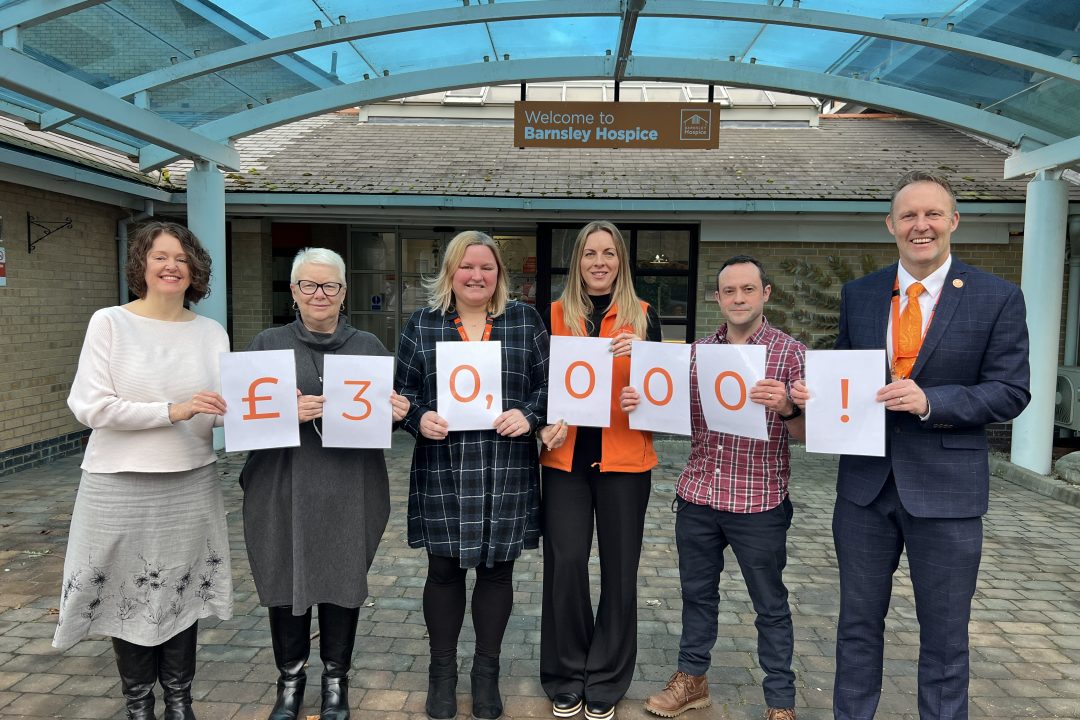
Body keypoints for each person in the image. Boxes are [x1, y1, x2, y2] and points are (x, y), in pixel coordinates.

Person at [791, 170, 1030, 719]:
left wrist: (931, 403)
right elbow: (849, 375)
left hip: (947, 494)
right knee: (855, 626)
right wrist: (815, 395)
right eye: (908, 216)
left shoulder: (997, 297)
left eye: (932, 215)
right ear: (891, 225)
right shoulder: (862, 293)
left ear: (953, 221)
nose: (920, 226)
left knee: (945, 639)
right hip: (865, 491)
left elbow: (1011, 391)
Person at [54, 220, 233, 720]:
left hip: (190, 481)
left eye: (181, 258)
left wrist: (277, 410)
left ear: (195, 269)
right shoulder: (110, 322)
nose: (172, 266)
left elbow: (220, 410)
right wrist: (170, 410)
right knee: (124, 590)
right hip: (118, 484)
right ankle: (139, 704)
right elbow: (89, 407)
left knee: (181, 588)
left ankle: (179, 701)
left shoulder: (210, 332)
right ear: (142, 266)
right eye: (160, 256)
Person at [240, 248, 410, 720]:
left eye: (330, 285)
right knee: (283, 573)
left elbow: (376, 420)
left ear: (343, 292)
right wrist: (283, 413)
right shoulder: (266, 344)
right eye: (309, 285)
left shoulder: (369, 348)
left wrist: (397, 416)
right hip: (282, 483)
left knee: (341, 576)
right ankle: (290, 681)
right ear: (294, 292)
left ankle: (336, 680)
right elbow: (240, 417)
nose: (320, 294)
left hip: (349, 485)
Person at [637, 256, 805, 720]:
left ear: (765, 293)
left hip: (759, 500)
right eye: (728, 291)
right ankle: (692, 680)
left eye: (747, 289)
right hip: (699, 495)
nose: (738, 298)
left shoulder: (790, 353)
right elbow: (670, 414)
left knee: (770, 603)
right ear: (717, 297)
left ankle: (780, 701)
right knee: (697, 595)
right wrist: (640, 402)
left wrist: (789, 407)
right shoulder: (696, 352)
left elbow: (809, 435)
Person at [395, 230, 549, 720]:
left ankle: (487, 673)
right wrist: (416, 417)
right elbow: (399, 395)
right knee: (443, 571)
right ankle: (442, 674)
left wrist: (529, 413)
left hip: (506, 465)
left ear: (498, 274)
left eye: (486, 267)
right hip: (443, 465)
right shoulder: (422, 325)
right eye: (467, 266)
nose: (476, 275)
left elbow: (552, 387)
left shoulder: (525, 322)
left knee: (497, 571)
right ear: (450, 273)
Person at [538, 220, 662, 720]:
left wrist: (646, 395)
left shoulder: (645, 317)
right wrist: (540, 424)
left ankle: (607, 677)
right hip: (565, 460)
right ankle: (566, 673)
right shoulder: (548, 316)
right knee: (565, 565)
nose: (599, 262)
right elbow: (533, 385)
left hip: (626, 460)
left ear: (621, 262)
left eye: (608, 253)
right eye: (590, 253)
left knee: (619, 572)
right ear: (578, 261)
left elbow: (665, 394)